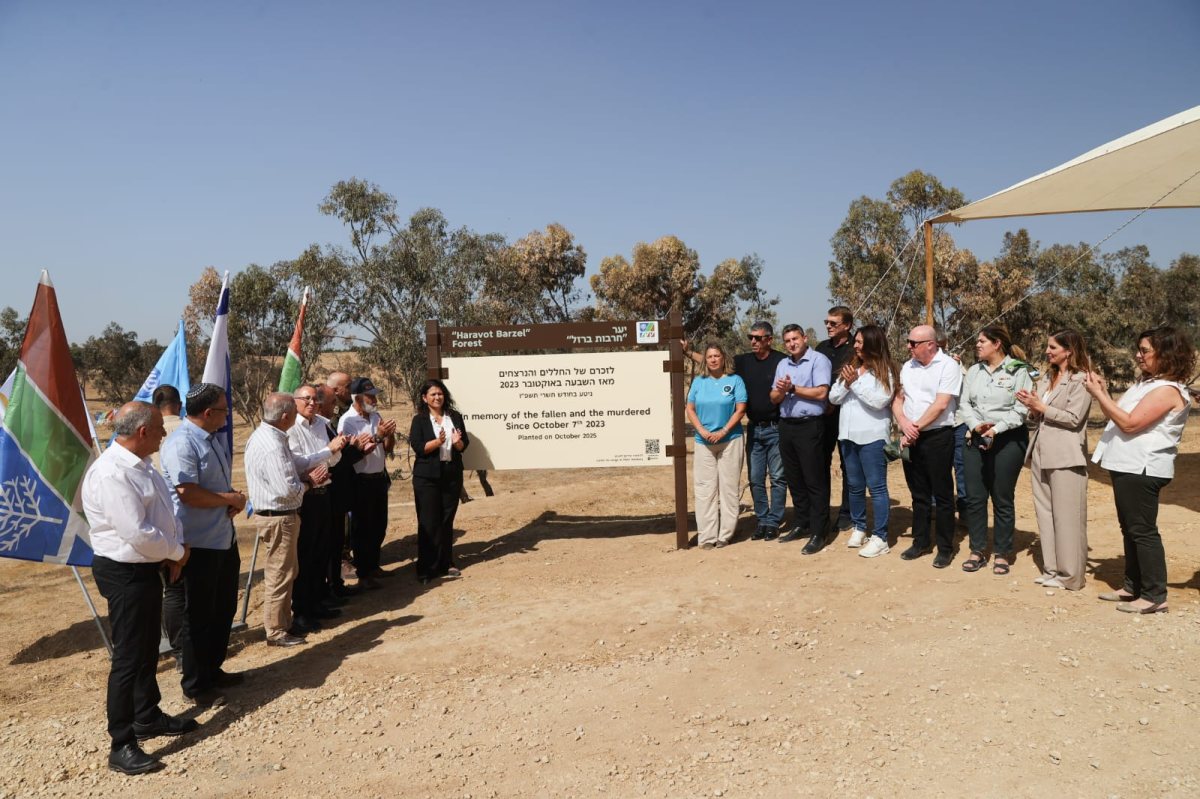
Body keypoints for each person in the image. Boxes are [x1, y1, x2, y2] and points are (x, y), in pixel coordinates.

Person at [82, 402, 198, 775]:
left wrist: (171, 551)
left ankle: (147, 716)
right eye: (161, 428)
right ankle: (121, 743)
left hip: (146, 567)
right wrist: (177, 552)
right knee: (129, 658)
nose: (165, 434)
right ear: (143, 431)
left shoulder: (142, 465)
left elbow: (161, 514)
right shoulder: (113, 474)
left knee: (148, 647)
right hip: (124, 572)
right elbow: (136, 532)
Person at [1086, 326, 1195, 614]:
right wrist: (1105, 391)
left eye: (1145, 350)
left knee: (1143, 531)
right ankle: (1133, 586)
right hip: (1126, 464)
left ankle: (1155, 594)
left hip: (1143, 467)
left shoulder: (1167, 390)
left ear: (1166, 354)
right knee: (1130, 528)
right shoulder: (1147, 383)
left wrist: (1099, 395)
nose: (1138, 355)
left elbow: (1130, 423)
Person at [159, 383, 247, 708]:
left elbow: (212, 488)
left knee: (223, 608)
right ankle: (195, 685)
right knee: (198, 615)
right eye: (225, 409)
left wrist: (230, 500)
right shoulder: (182, 443)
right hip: (198, 545)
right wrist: (228, 498)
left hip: (222, 537)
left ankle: (212, 669)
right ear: (209, 413)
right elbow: (188, 492)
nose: (228, 415)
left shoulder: (210, 440)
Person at [245, 392, 342, 646]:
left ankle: (284, 625)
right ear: (287, 415)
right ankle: (276, 631)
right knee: (280, 575)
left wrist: (325, 453)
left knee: (288, 571)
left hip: (282, 517)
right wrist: (310, 483)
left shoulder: (271, 436)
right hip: (278, 517)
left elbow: (299, 462)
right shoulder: (273, 445)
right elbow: (287, 490)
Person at [684, 323, 786, 540]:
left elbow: (739, 407)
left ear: (769, 339)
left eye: (758, 338)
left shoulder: (780, 360)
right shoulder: (744, 361)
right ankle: (761, 520)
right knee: (756, 479)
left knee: (777, 477)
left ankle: (773, 522)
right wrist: (687, 352)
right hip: (755, 430)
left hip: (775, 429)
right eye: (751, 337)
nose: (753, 342)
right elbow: (709, 362)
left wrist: (723, 431)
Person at [1015, 330, 1093, 590]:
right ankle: (1052, 570)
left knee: (1067, 517)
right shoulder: (1047, 379)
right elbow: (1039, 417)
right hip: (1039, 452)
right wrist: (1032, 408)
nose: (1047, 351)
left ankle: (1071, 576)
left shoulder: (1082, 380)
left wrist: (1042, 407)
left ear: (1069, 351)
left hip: (1066, 455)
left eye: (1053, 347)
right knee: (1045, 514)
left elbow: (1073, 418)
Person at [957, 326, 1033, 576]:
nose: (977, 345)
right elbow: (964, 404)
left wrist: (997, 429)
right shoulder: (974, 371)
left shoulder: (1020, 371)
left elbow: (1021, 409)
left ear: (997, 343)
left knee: (1002, 497)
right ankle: (977, 550)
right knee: (975, 497)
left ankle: (1002, 553)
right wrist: (976, 425)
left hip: (1008, 440)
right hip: (975, 437)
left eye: (982, 341)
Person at [893, 325, 962, 568]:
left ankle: (945, 547)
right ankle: (920, 541)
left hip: (937, 437)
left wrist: (916, 428)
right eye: (908, 341)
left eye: (913, 343)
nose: (908, 346)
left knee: (942, 495)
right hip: (911, 436)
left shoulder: (948, 366)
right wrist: (904, 423)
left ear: (930, 344)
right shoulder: (907, 366)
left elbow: (941, 403)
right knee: (918, 493)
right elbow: (899, 398)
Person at [828, 324, 897, 559]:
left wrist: (855, 384)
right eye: (855, 342)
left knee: (876, 487)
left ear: (872, 344)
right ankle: (859, 527)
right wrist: (847, 383)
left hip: (872, 437)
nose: (855, 346)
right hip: (847, 436)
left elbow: (879, 402)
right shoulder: (851, 369)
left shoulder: (885, 371)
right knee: (854, 486)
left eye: (859, 342)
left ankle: (881, 537)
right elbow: (833, 397)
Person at [288, 385, 354, 627]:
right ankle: (302, 610)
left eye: (315, 399)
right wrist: (327, 451)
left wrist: (332, 451)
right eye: (306, 399)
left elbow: (335, 459)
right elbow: (297, 462)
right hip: (306, 495)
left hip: (325, 491)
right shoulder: (292, 428)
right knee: (305, 554)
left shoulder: (321, 424)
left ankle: (317, 601)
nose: (312, 403)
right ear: (295, 401)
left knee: (321, 551)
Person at [770, 324, 833, 554]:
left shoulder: (818, 360)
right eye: (787, 340)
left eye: (795, 338)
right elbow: (774, 396)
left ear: (805, 338)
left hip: (810, 426)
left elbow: (821, 393)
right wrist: (782, 390)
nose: (791, 343)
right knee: (794, 478)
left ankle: (819, 531)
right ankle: (801, 522)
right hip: (787, 425)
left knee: (814, 480)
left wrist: (793, 388)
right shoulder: (782, 364)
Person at [685, 343, 748, 549]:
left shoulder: (734, 380)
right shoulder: (699, 382)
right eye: (710, 356)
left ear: (723, 358)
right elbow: (690, 408)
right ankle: (707, 536)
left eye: (717, 356)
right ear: (705, 359)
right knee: (705, 490)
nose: (713, 359)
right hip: (704, 442)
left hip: (730, 439)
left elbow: (740, 410)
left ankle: (725, 534)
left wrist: (723, 431)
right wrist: (702, 430)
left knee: (728, 488)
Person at [337, 377, 396, 588]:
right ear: (357, 398)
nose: (374, 399)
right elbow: (353, 454)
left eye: (374, 395)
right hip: (361, 481)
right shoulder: (348, 421)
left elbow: (387, 448)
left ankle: (373, 566)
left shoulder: (375, 415)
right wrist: (378, 436)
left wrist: (388, 435)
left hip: (379, 479)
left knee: (379, 525)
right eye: (369, 395)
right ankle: (363, 573)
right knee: (362, 528)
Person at [410, 379, 471, 582]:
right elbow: (418, 447)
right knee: (428, 522)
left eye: (440, 394)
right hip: (426, 477)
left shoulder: (454, 417)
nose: (437, 397)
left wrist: (457, 442)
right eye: (433, 394)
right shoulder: (419, 420)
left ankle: (447, 563)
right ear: (424, 398)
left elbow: (464, 447)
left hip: (451, 475)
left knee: (446, 521)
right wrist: (438, 442)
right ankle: (426, 567)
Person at [318, 385, 367, 598]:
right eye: (331, 404)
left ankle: (335, 585)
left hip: (336, 496)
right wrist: (355, 450)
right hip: (326, 494)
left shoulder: (326, 425)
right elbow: (331, 462)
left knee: (336, 542)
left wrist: (351, 448)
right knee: (326, 545)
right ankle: (326, 590)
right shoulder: (318, 428)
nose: (335, 408)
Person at [150, 384, 186, 665]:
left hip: (155, 523)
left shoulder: (144, 435)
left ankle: (176, 645)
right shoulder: (186, 431)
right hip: (186, 520)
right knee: (181, 588)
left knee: (168, 588)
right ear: (179, 403)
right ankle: (184, 648)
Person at [816, 306, 855, 534]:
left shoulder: (856, 349)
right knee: (821, 464)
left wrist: (832, 403)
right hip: (823, 417)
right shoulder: (822, 348)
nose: (828, 327)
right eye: (827, 323)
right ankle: (822, 511)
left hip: (847, 415)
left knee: (848, 465)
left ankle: (846, 514)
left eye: (833, 323)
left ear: (847, 325)